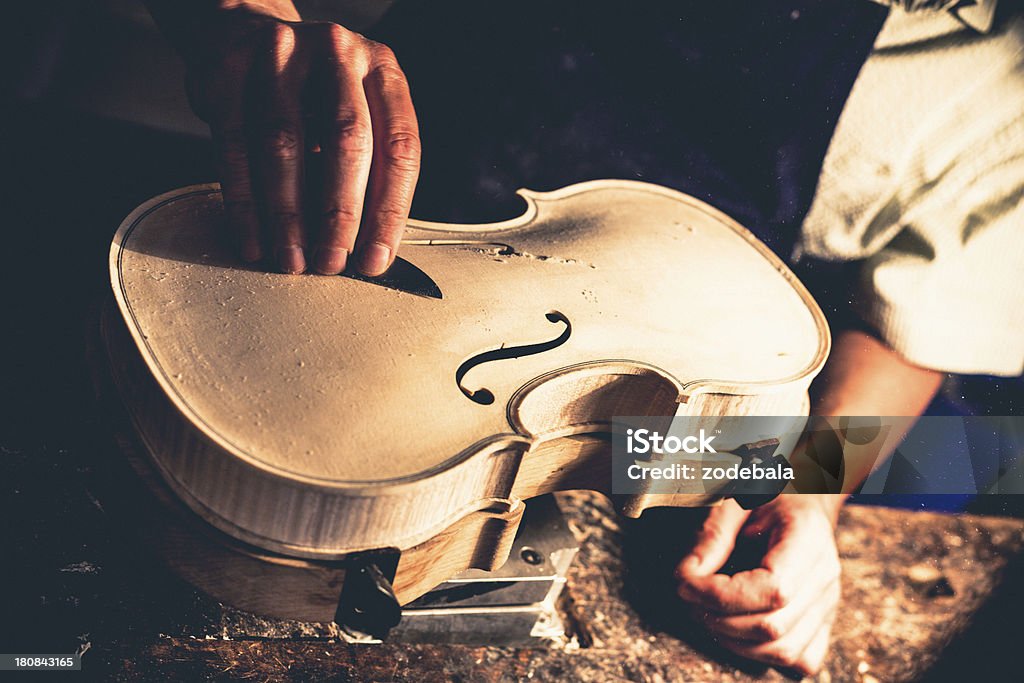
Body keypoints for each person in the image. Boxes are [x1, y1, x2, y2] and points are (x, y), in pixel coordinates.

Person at [143, 0, 1024, 675]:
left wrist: (806, 485)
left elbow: (913, 329)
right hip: (341, 218)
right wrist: (241, 20)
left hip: (587, 389)